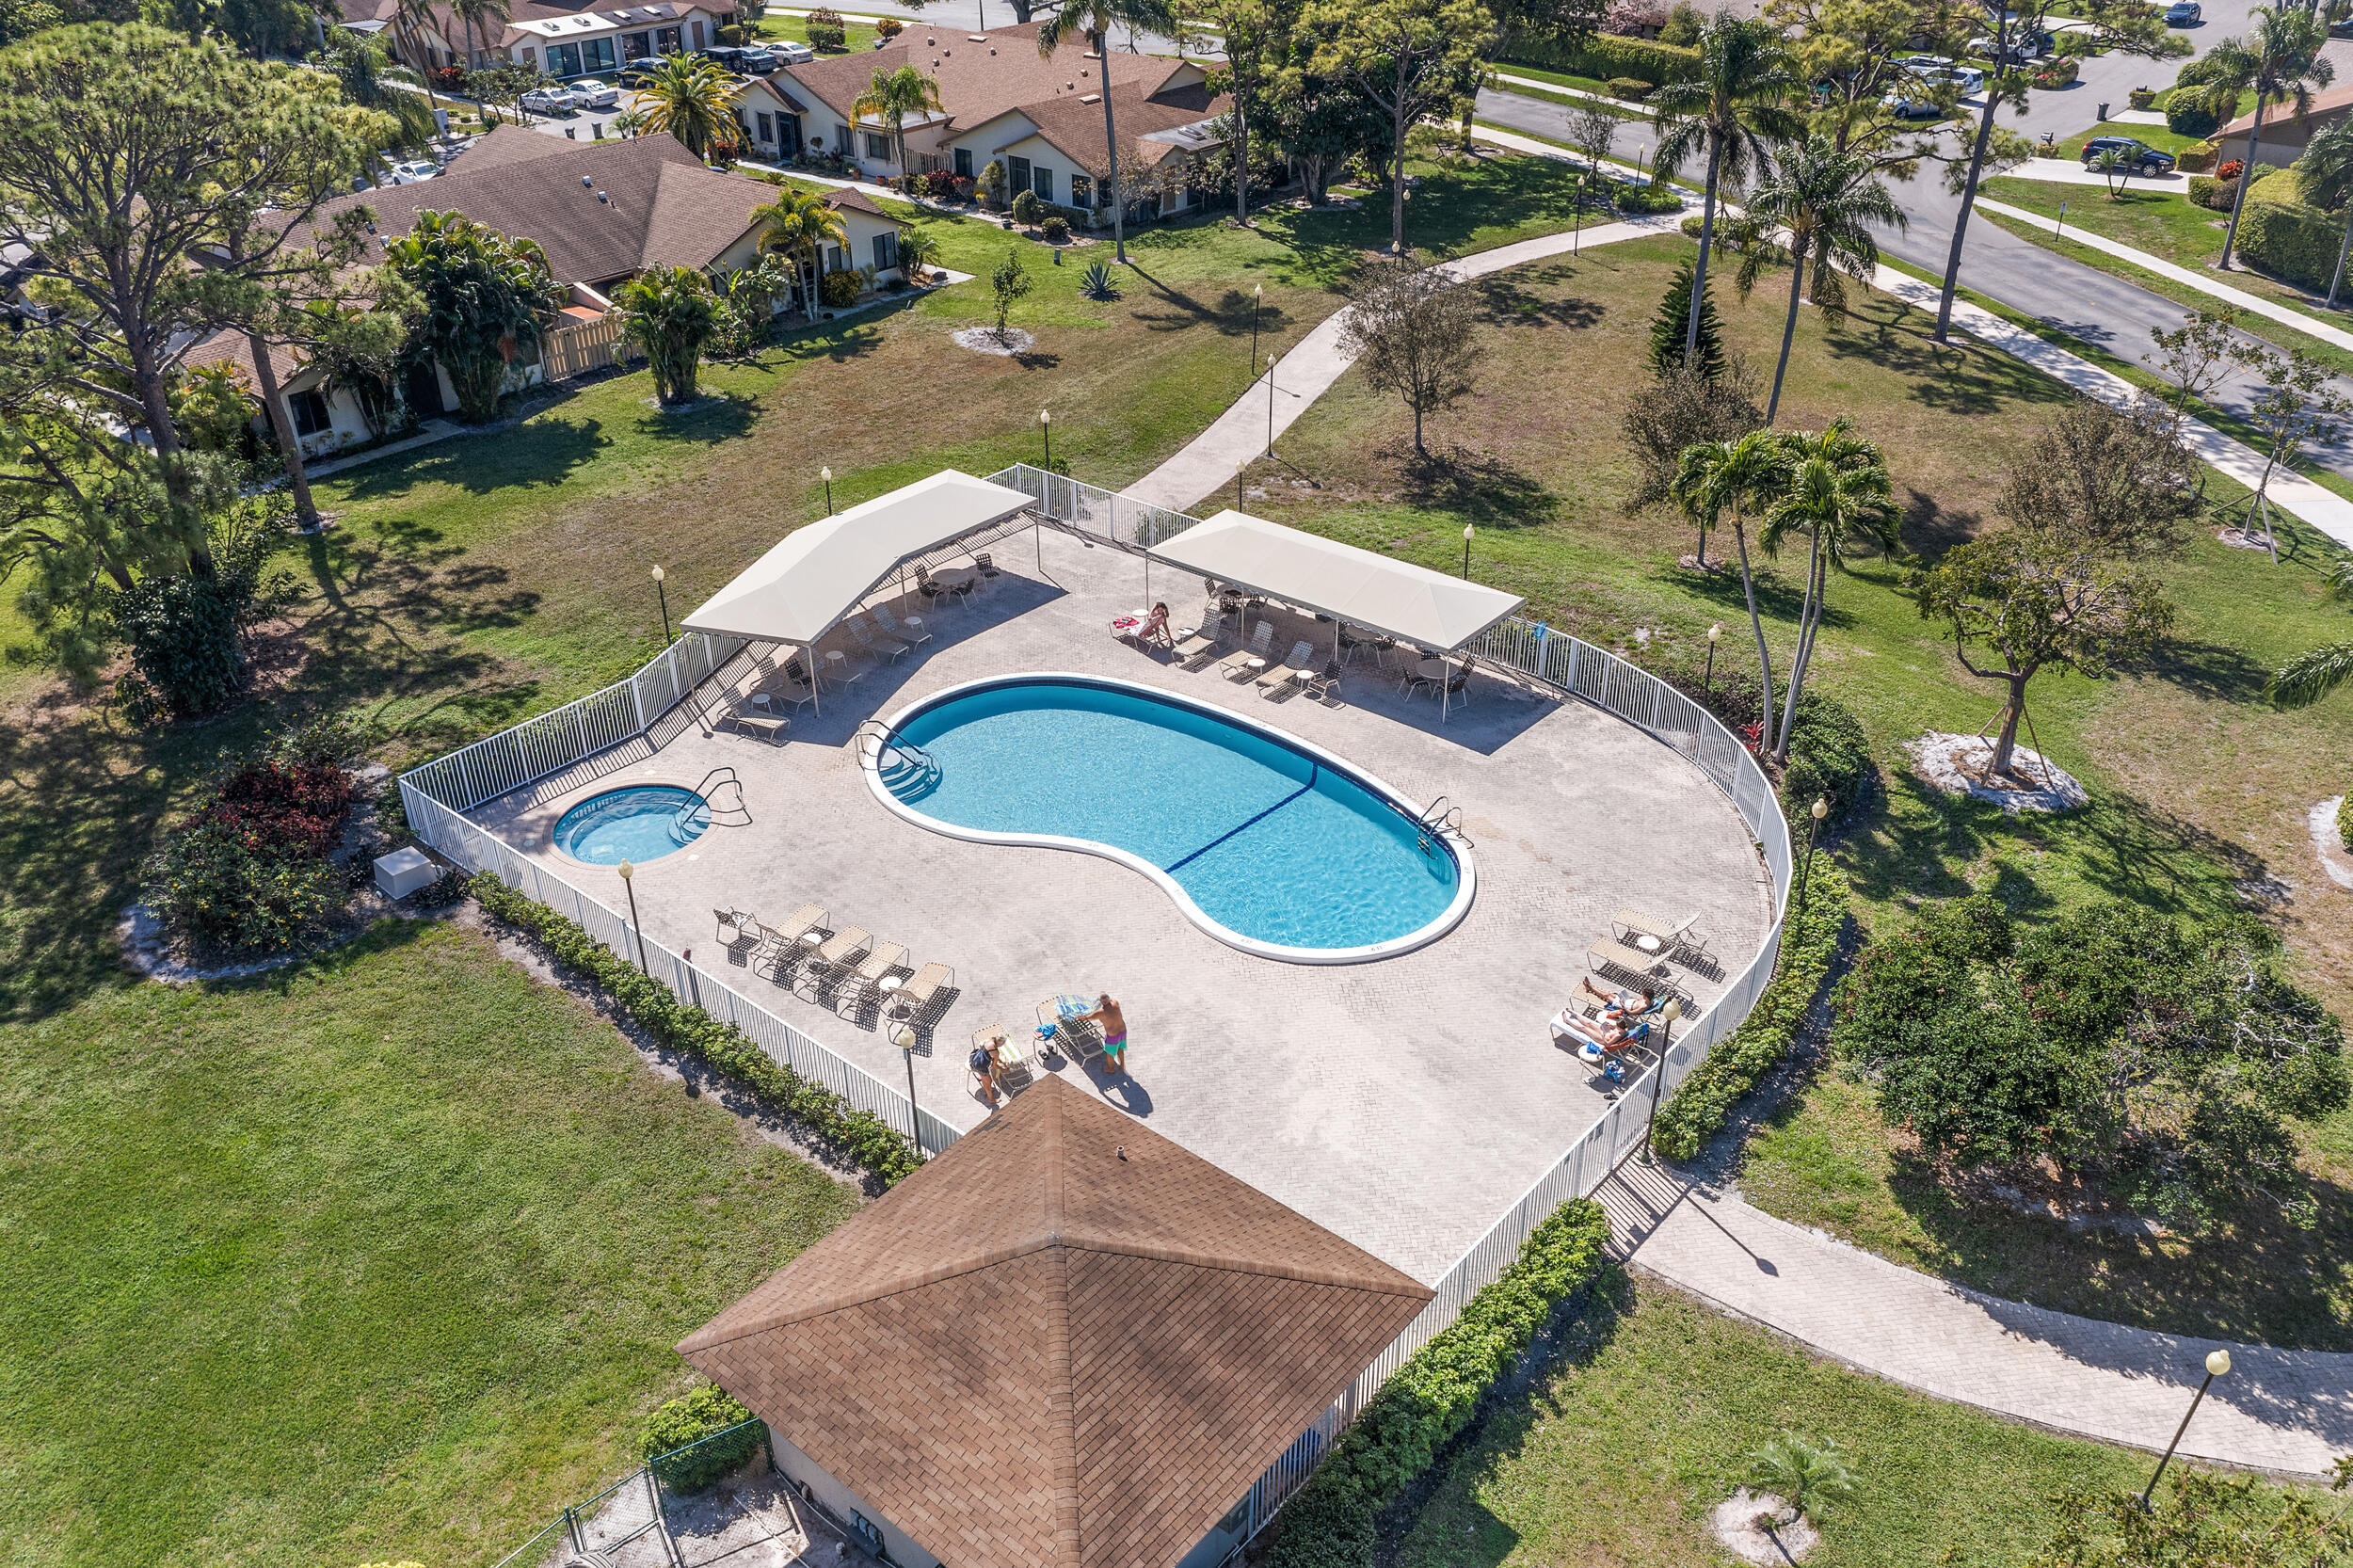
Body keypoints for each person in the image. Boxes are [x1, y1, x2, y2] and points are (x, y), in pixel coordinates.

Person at [1075, 993, 1128, 1070]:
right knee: (1120, 1049)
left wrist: (1077, 1017)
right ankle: (1122, 1065)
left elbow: (1086, 1017)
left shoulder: (1101, 1012)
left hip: (1113, 1036)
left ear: (1101, 1002)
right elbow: (1110, 999)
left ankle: (1111, 1069)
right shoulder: (1115, 1003)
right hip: (1123, 1031)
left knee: (1110, 1054)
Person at [969, 1038, 1003, 1104]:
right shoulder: (996, 1052)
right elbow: (994, 1066)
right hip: (980, 1066)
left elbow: (991, 1054)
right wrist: (1003, 1069)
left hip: (974, 1059)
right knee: (989, 1082)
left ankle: (986, 1091)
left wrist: (998, 1059)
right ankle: (991, 1099)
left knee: (985, 1079)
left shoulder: (990, 1041)